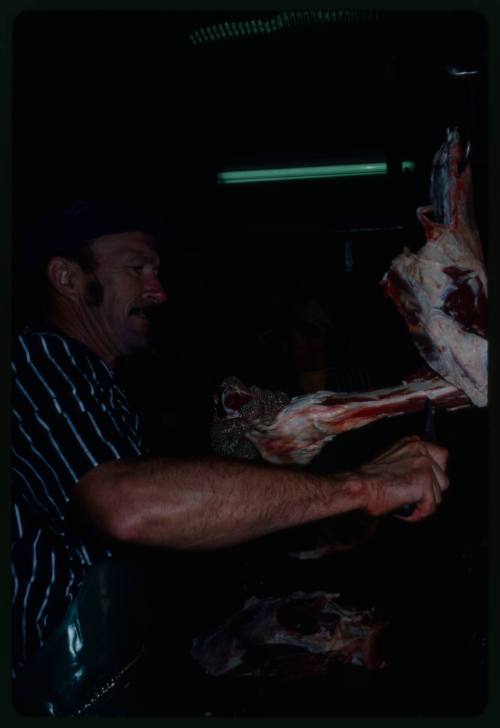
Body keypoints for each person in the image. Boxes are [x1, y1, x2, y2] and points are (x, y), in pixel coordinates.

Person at [11, 199, 450, 715]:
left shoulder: (101, 387)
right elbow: (126, 504)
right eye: (136, 269)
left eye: (157, 271)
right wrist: (363, 485)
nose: (158, 290)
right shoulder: (39, 359)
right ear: (66, 277)